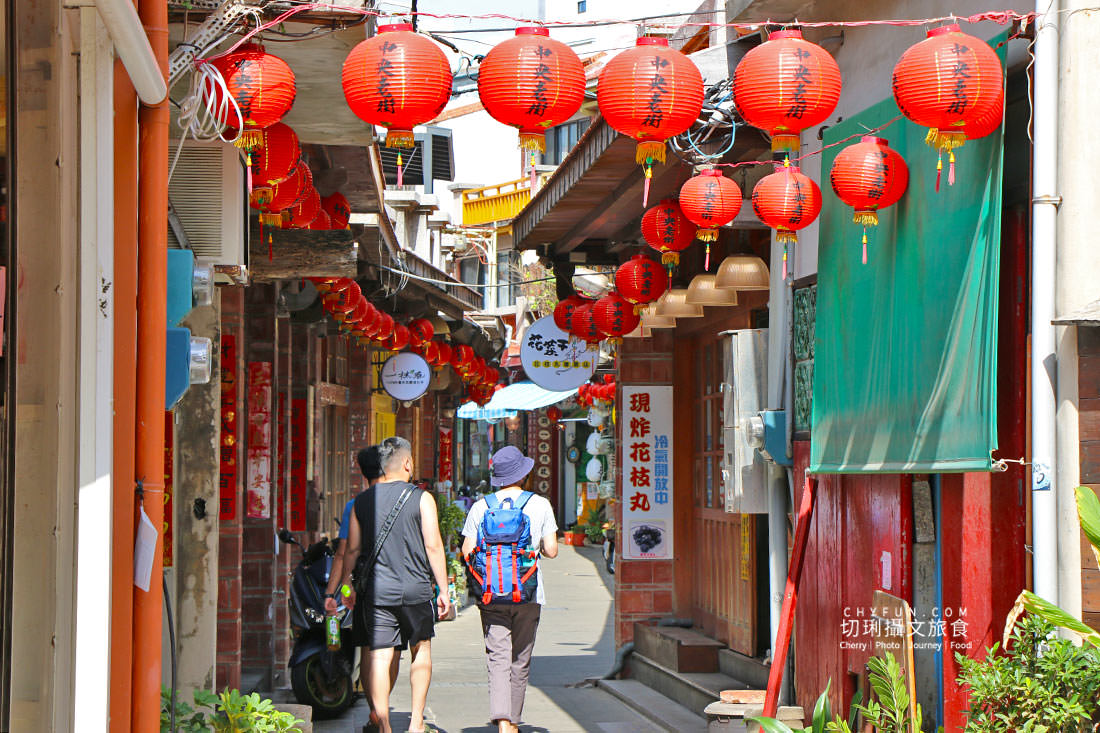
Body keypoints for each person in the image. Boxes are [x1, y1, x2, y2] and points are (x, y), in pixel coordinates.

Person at [330, 436, 450, 733]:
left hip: (377, 592)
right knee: (421, 649)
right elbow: (433, 546)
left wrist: (346, 588)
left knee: (380, 656)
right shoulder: (422, 498)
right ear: (407, 463)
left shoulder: (361, 501)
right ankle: (416, 722)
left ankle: (383, 724)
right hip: (416, 589)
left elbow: (351, 551)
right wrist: (444, 589)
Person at [461, 446, 559, 733]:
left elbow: (466, 551)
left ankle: (502, 720)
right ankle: (513, 721)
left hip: (492, 593)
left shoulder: (481, 506)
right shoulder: (540, 505)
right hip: (528, 592)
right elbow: (552, 550)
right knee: (520, 658)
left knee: (498, 656)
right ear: (524, 474)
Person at [323, 445, 386, 706]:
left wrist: (333, 592)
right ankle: (383, 706)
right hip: (398, 583)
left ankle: (375, 710)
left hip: (365, 585)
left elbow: (344, 553)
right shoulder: (405, 499)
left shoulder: (356, 504)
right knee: (391, 650)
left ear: (362, 472)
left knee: (369, 648)